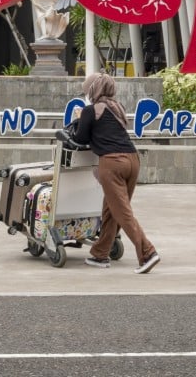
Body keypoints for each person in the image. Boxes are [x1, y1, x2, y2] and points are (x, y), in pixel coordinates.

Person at [71, 72, 160, 274]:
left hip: (112, 163)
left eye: (87, 90)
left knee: (122, 212)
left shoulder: (90, 110)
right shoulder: (117, 107)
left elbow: (81, 138)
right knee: (111, 209)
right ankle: (100, 253)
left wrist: (79, 120)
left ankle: (148, 253)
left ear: (93, 91)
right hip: (132, 160)